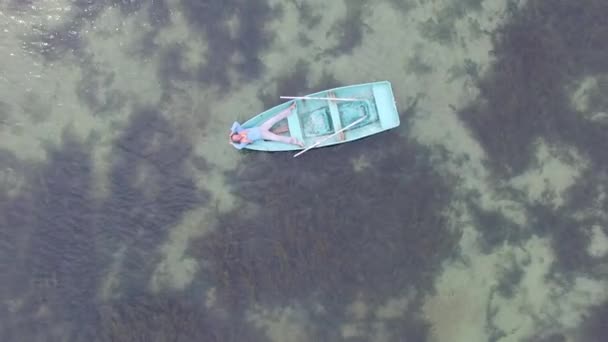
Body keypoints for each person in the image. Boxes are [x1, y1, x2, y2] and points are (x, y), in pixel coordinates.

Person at [229, 102, 305, 149]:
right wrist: (232, 143)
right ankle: (297, 142)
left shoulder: (240, 131)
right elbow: (238, 147)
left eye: (236, 135)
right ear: (238, 140)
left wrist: (232, 132)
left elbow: (235, 123)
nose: (238, 136)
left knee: (275, 118)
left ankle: (290, 109)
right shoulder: (243, 142)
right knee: (278, 138)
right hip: (263, 135)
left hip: (261, 127)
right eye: (237, 138)